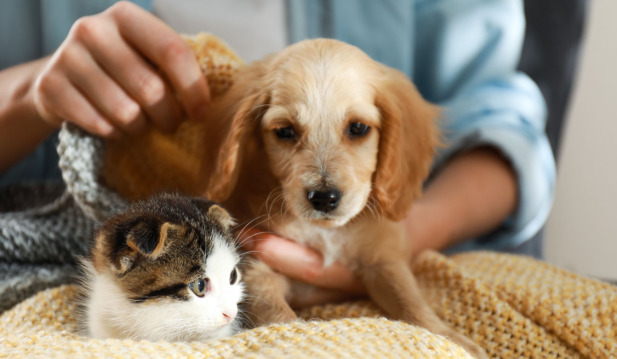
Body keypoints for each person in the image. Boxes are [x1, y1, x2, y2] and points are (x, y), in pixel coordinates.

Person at [0, 1, 554, 304]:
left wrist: (398, 236)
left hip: (409, 250)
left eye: (358, 129)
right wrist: (29, 94)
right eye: (284, 132)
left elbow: (504, 123)